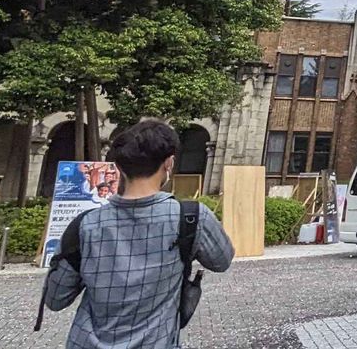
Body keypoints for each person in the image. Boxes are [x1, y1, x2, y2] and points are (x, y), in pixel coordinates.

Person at [43, 119, 233, 348]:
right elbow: (222, 260)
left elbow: (55, 298)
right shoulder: (191, 217)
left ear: (119, 167)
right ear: (169, 163)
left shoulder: (86, 225)